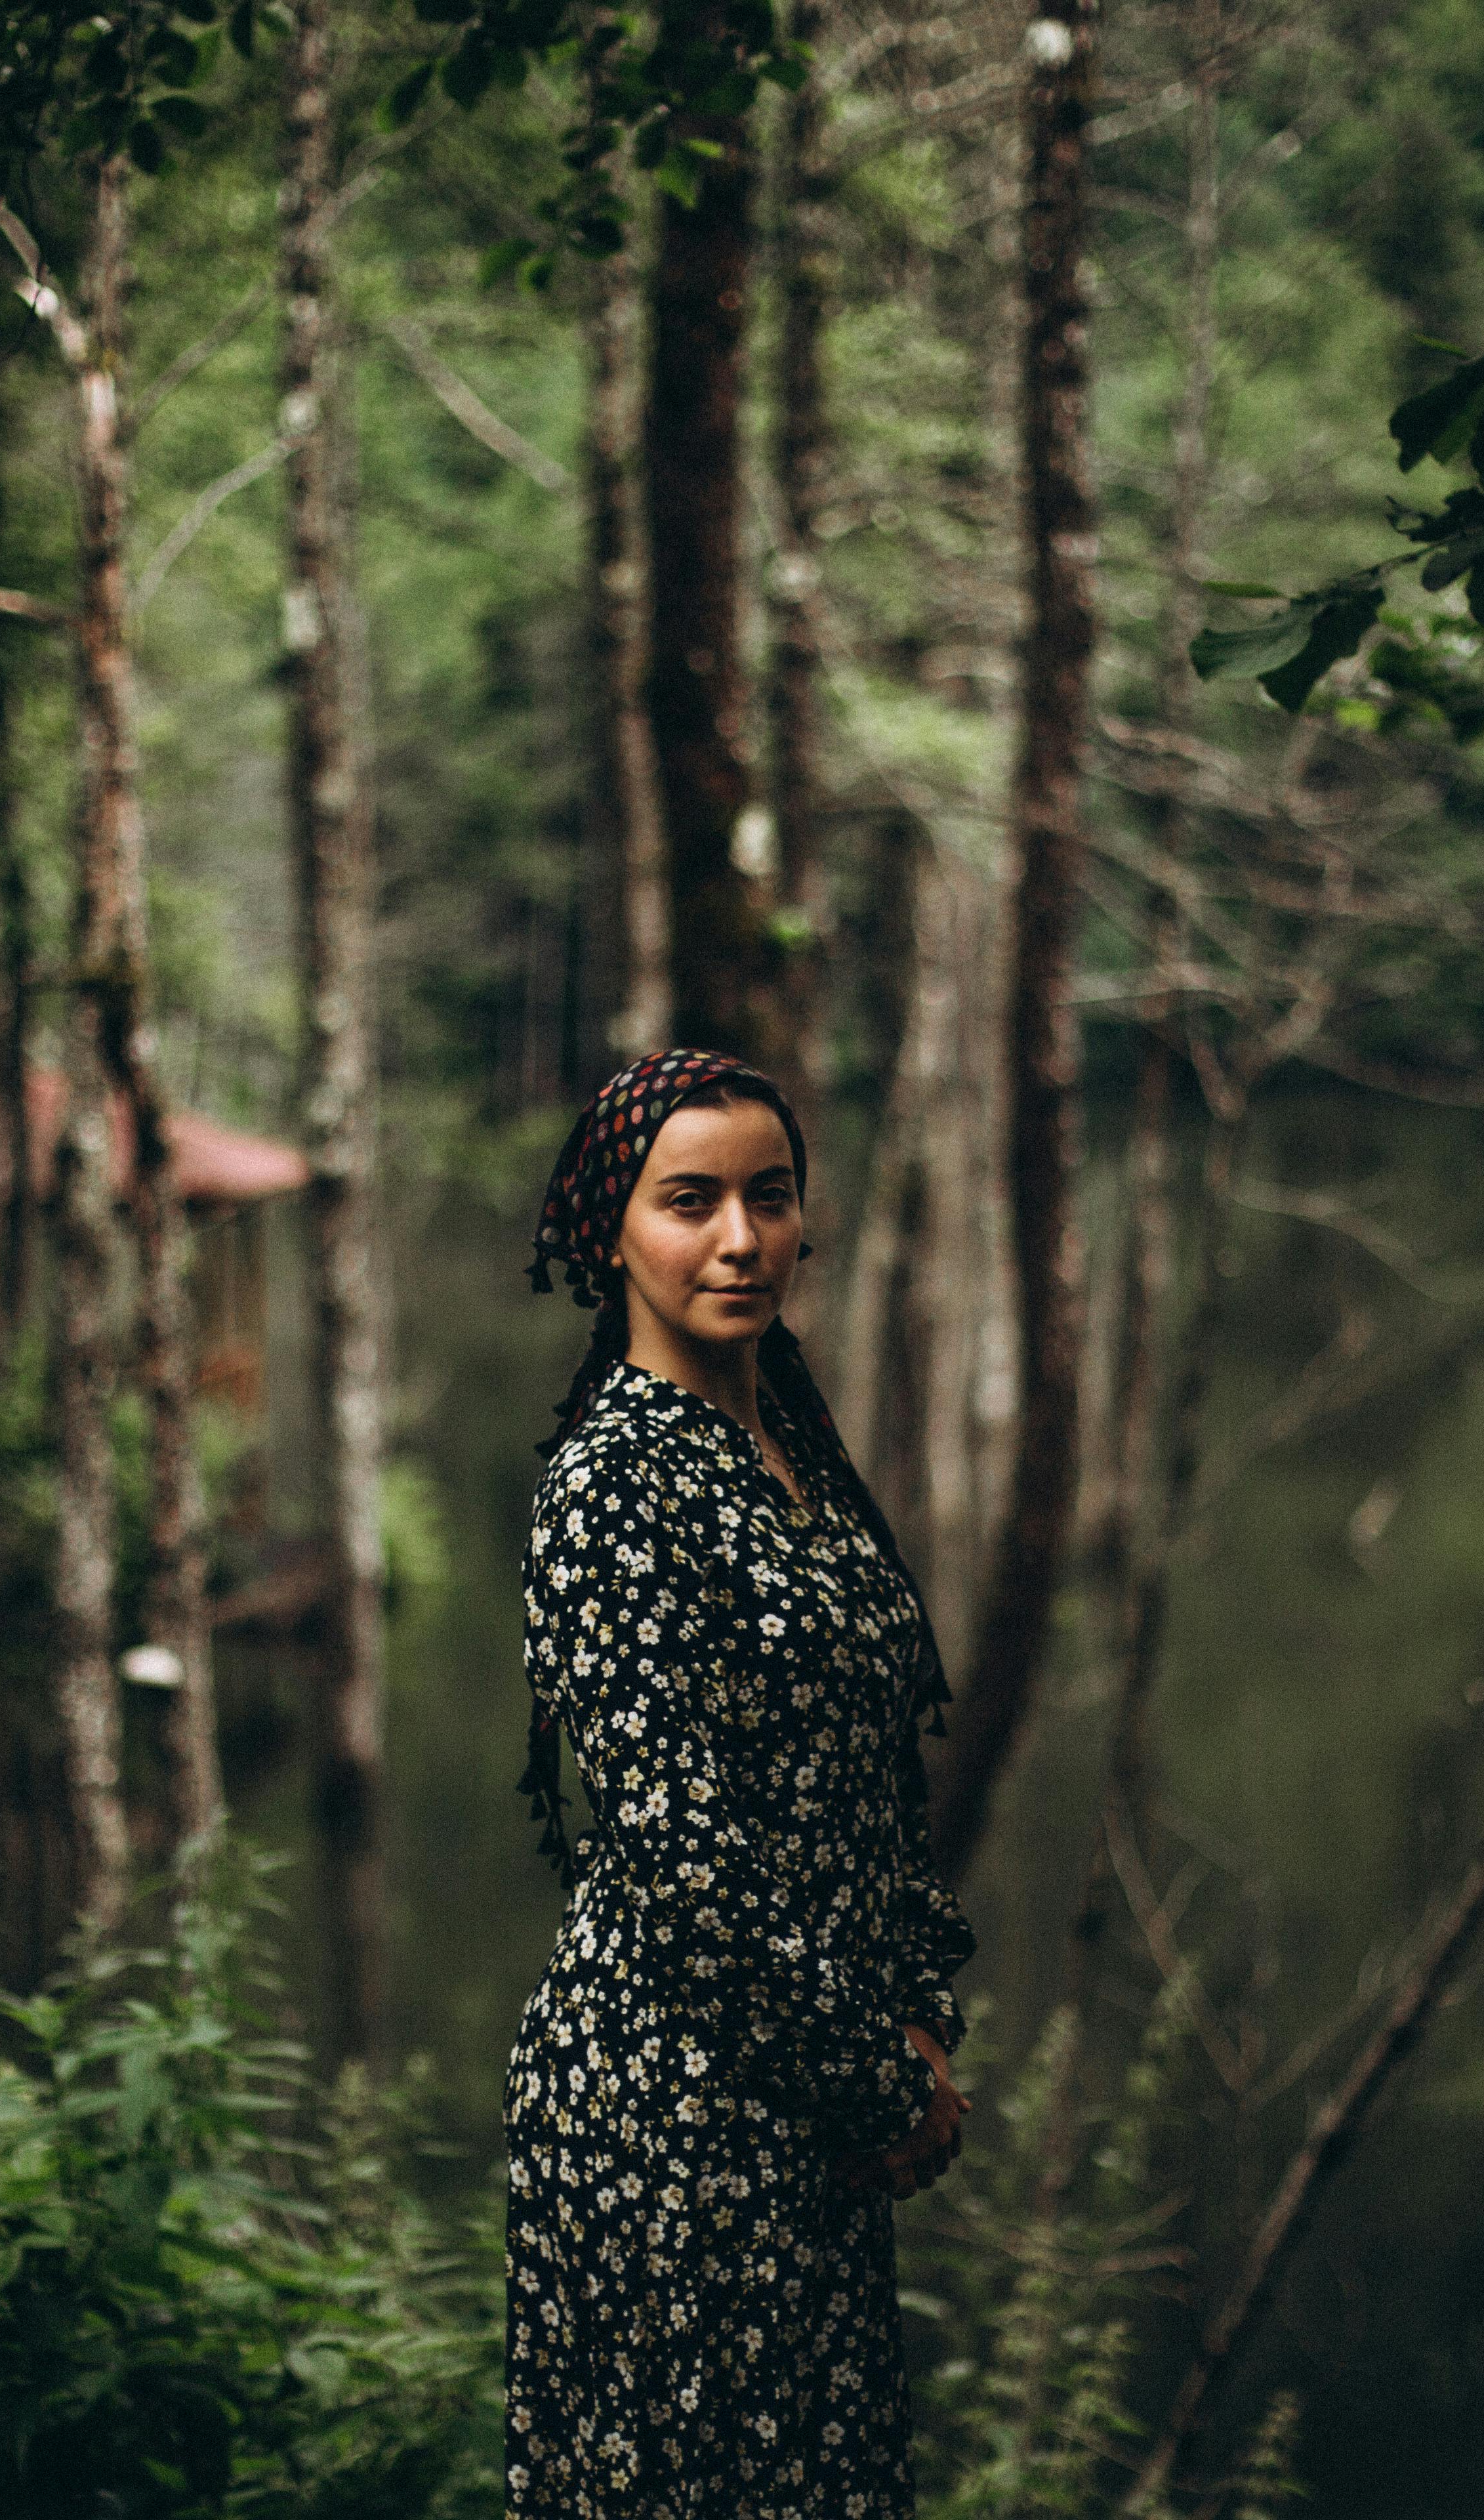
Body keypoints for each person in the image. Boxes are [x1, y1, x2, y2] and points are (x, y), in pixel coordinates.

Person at [504, 1048, 978, 2520]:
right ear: (613, 1234)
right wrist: (873, 2078)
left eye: (768, 1198)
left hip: (810, 2082)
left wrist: (916, 2003)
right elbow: (676, 1851)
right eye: (690, 1200)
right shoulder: (610, 1484)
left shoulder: (794, 1453)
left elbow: (867, 1777)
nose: (739, 1239)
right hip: (668, 2103)